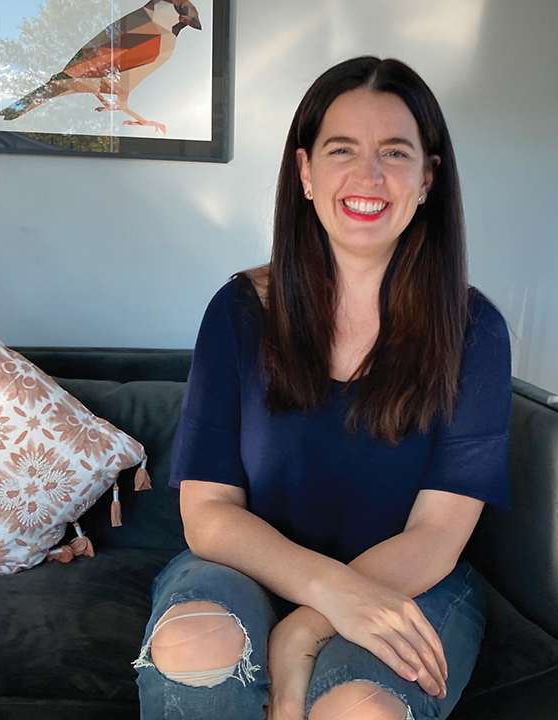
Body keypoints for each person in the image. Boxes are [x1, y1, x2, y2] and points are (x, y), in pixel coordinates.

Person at [133, 56, 512, 720]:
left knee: (359, 710)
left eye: (395, 152)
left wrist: (305, 629)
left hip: (409, 583)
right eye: (343, 151)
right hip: (248, 570)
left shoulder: (474, 329)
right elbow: (209, 512)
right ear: (306, 173)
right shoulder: (238, 312)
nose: (369, 176)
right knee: (196, 643)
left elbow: (437, 534)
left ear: (428, 177)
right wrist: (327, 592)